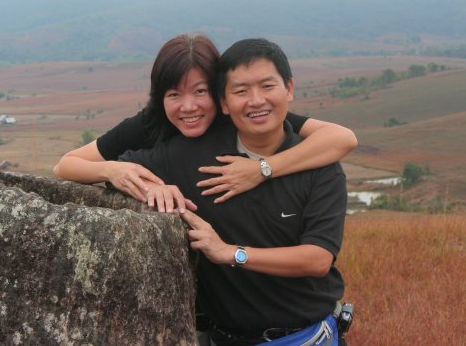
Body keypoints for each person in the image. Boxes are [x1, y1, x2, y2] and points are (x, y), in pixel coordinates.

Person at [122, 38, 349, 345]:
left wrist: (230, 253)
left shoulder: (319, 165)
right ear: (224, 103)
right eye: (241, 91)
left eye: (267, 86)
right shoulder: (188, 155)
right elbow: (96, 167)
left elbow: (317, 259)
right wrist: (145, 182)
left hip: (303, 337)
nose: (256, 101)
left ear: (289, 89)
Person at [53, 33, 357, 205]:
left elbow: (341, 138)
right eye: (174, 95)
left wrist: (260, 170)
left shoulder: (239, 116)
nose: (188, 107)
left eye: (200, 91)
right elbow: (65, 165)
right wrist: (113, 170)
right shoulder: (150, 122)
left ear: (221, 95)